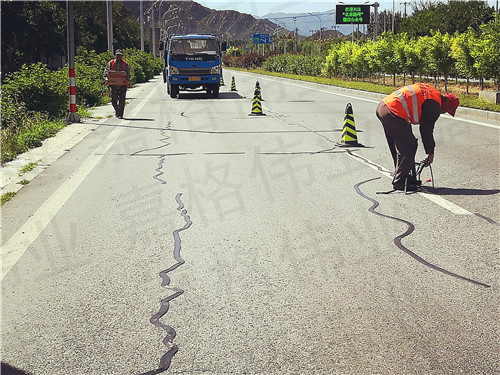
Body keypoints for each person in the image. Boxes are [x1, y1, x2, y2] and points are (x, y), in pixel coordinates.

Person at [376, 83, 459, 191]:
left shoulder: (432, 93)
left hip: (385, 106)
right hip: (393, 111)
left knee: (401, 146)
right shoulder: (435, 105)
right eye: (448, 110)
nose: (444, 113)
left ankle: (407, 177)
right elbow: (426, 130)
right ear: (447, 102)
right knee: (409, 145)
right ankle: (400, 182)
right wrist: (430, 152)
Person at [104, 49, 131, 119]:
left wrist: (127, 79)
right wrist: (107, 75)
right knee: (113, 100)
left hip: (122, 85)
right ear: (115, 55)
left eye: (120, 55)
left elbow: (128, 73)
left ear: (122, 56)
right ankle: (117, 110)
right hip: (113, 85)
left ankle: (120, 114)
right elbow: (106, 70)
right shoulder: (111, 63)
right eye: (117, 55)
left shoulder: (125, 64)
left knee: (122, 100)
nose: (118, 57)